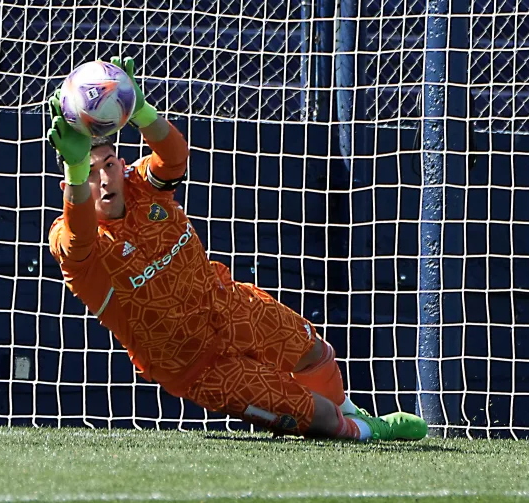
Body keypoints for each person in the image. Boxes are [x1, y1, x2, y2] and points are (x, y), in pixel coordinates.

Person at [46, 57, 428, 442]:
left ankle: (355, 414)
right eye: (90, 172)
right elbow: (80, 239)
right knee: (323, 420)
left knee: (315, 352)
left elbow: (174, 159)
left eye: (109, 164)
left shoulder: (141, 186)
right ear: (71, 185)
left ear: (121, 163)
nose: (104, 179)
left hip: (229, 306)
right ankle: (365, 430)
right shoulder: (71, 240)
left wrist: (143, 111)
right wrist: (75, 170)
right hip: (198, 367)